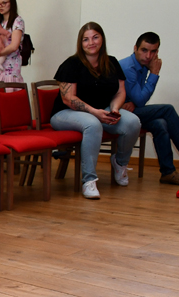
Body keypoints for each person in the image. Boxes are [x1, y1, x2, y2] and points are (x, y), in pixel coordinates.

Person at [50, 22, 141, 200]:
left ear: (102, 39)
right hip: (65, 113)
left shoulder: (112, 62)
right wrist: (95, 113)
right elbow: (68, 98)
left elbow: (120, 92)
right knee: (92, 124)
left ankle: (120, 163)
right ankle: (89, 180)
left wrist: (114, 110)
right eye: (86, 39)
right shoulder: (71, 64)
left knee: (132, 122)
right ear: (80, 43)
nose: (91, 42)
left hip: (101, 110)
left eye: (95, 37)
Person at [119, 32, 179, 185]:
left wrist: (134, 102)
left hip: (131, 110)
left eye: (153, 51)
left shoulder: (143, 65)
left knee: (160, 124)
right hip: (118, 113)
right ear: (135, 48)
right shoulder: (127, 67)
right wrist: (154, 73)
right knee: (167, 109)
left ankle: (168, 173)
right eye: (144, 50)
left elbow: (138, 99)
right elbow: (141, 99)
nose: (148, 56)